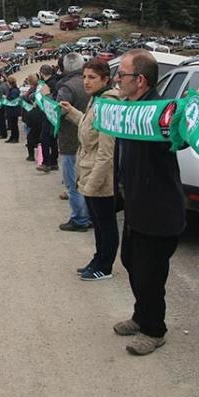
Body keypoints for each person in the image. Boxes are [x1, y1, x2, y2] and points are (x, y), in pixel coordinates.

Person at [112, 49, 186, 356]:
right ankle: (141, 315)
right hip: (136, 206)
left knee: (150, 273)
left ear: (140, 80)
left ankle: (155, 329)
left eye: (122, 75)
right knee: (131, 261)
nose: (117, 80)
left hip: (158, 210)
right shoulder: (131, 109)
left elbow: (181, 134)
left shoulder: (158, 112)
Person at [59, 58, 119, 280]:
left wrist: (92, 184)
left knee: (106, 225)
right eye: (84, 76)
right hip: (89, 171)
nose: (86, 81)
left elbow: (106, 151)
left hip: (100, 177)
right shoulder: (97, 100)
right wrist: (72, 111)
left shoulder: (108, 103)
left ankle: (105, 265)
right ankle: (98, 259)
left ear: (105, 79)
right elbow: (89, 126)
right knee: (99, 225)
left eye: (92, 77)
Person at [43, 53, 91, 231]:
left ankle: (79, 218)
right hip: (90, 139)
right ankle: (90, 215)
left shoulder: (66, 87)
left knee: (72, 183)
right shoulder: (91, 85)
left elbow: (58, 111)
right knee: (87, 182)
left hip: (70, 139)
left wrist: (47, 97)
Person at [36, 64, 60, 172]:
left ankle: (46, 163)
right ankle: (54, 161)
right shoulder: (56, 82)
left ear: (41, 73)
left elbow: (50, 99)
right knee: (53, 139)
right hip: (53, 116)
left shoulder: (48, 85)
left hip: (48, 115)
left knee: (44, 139)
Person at [4, 76, 21, 143]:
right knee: (11, 124)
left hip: (14, 110)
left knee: (14, 125)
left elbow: (13, 98)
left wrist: (6, 97)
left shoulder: (14, 90)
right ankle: (12, 137)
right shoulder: (11, 89)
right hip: (10, 110)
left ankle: (15, 138)